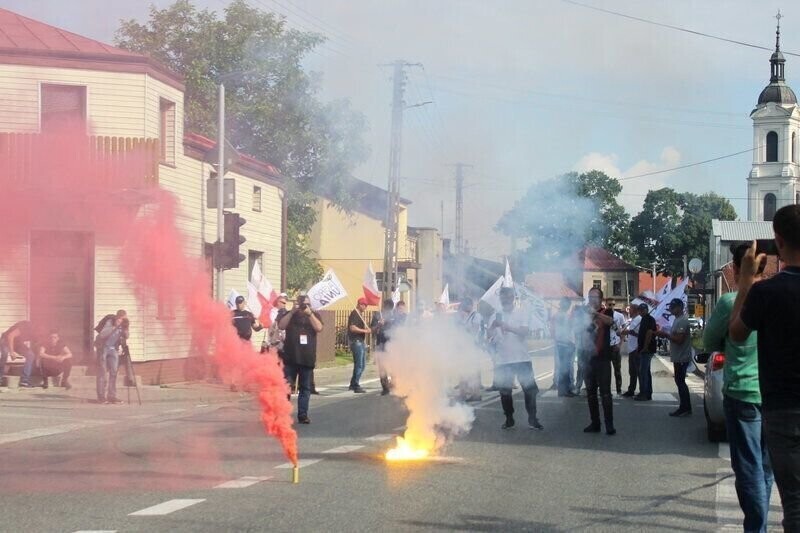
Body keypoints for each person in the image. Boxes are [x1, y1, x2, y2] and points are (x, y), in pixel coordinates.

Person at [730, 205, 800, 531]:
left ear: (779, 242)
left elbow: (736, 332)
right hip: (781, 408)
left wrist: (745, 279)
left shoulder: (766, 292)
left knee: (795, 504)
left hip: (784, 409)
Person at [705, 243, 772, 532]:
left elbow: (708, 342)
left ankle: (756, 528)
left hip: (742, 391)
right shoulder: (777, 296)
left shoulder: (730, 301)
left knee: (748, 468)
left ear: (734, 268)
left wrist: (728, 344)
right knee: (767, 468)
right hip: (776, 392)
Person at [489, 287, 542, 430]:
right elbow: (488, 337)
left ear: (513, 298)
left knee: (529, 389)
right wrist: (493, 327)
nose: (505, 299)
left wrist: (508, 327)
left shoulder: (521, 313)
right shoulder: (495, 315)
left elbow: (524, 332)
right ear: (500, 298)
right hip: (503, 360)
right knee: (505, 391)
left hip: (521, 358)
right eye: (502, 297)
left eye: (507, 296)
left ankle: (532, 418)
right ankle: (509, 418)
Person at [279, 294, 323, 424]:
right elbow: (281, 325)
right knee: (286, 387)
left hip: (307, 359)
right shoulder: (290, 315)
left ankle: (303, 414)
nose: (305, 307)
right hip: (290, 358)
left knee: (305, 389)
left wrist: (310, 314)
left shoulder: (314, 315)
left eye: (308, 304)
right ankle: (284, 414)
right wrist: (292, 312)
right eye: (303, 304)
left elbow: (319, 328)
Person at [581, 287, 616, 435]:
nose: (592, 300)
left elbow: (610, 321)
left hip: (603, 359)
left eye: (595, 297)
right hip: (588, 359)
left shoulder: (606, 312)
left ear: (600, 299)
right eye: (590, 297)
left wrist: (594, 313)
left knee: (606, 393)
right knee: (590, 393)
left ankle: (609, 424)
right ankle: (595, 423)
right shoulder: (583, 314)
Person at [656, 298, 692, 417]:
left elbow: (679, 340)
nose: (671, 309)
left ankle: (685, 407)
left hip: (682, 357)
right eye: (671, 307)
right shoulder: (677, 320)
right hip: (678, 356)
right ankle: (685, 406)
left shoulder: (682, 321)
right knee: (679, 381)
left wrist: (666, 335)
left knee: (680, 382)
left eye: (673, 307)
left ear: (680, 307)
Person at [95, 313, 129, 404]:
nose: (124, 320)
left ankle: (111, 396)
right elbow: (102, 334)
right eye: (123, 319)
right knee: (102, 372)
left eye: (125, 319)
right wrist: (115, 326)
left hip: (113, 349)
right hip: (103, 348)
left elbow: (127, 336)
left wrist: (126, 328)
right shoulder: (110, 322)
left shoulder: (123, 325)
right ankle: (101, 397)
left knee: (114, 372)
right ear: (118, 317)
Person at [0, 320, 37, 388]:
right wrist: (12, 352)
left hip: (18, 342)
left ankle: (24, 381)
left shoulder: (37, 333)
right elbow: (10, 336)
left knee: (31, 355)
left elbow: (36, 344)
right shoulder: (25, 325)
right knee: (5, 353)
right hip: (6, 339)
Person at [552, 298, 576, 397]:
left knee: (565, 368)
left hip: (565, 343)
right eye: (567, 304)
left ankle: (564, 390)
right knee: (565, 368)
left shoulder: (562, 315)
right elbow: (566, 329)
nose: (568, 306)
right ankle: (565, 390)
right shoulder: (561, 315)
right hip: (564, 344)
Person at [371, 299, 395, 395]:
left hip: (393, 345)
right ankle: (385, 388)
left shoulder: (395, 317)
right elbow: (372, 329)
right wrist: (378, 325)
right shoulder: (377, 315)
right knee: (382, 367)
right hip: (381, 344)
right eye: (386, 307)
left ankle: (394, 385)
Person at [635, 303, 657, 402]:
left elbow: (649, 333)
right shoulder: (644, 319)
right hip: (644, 348)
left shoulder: (649, 319)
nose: (641, 311)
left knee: (643, 371)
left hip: (647, 349)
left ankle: (644, 393)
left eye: (642, 310)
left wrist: (645, 347)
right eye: (640, 310)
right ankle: (647, 392)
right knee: (645, 371)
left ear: (646, 310)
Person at [348, 298, 370, 394]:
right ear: (360, 304)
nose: (365, 307)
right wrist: (365, 331)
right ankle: (356, 384)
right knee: (359, 365)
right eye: (364, 305)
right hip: (356, 342)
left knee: (362, 365)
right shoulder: (355, 314)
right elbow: (352, 328)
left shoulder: (359, 314)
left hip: (360, 341)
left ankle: (353, 383)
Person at [621, 302, 642, 398]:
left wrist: (629, 332)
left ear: (636, 310)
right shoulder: (633, 320)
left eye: (631, 309)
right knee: (632, 371)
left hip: (636, 349)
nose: (629, 311)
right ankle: (631, 390)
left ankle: (642, 391)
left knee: (638, 372)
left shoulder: (639, 319)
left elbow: (640, 335)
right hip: (631, 349)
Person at [606, 300, 625, 395]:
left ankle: (618, 390)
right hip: (605, 347)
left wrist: (619, 344)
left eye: (613, 304)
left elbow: (623, 331)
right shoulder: (603, 315)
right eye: (609, 304)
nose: (611, 306)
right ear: (606, 305)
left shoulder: (619, 316)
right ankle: (606, 390)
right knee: (605, 370)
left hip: (615, 345)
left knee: (617, 369)